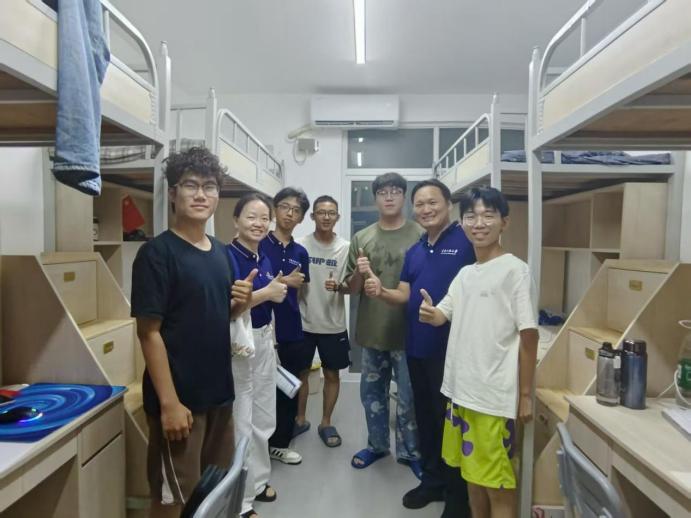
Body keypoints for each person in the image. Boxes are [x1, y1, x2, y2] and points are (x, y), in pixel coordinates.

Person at [131, 147, 254, 518]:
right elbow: (148, 333)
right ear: (173, 193)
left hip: (219, 395)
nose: (201, 194)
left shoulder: (220, 253)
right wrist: (169, 403)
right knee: (175, 501)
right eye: (191, 185)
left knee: (214, 495)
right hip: (181, 401)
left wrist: (241, 304)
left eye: (209, 186)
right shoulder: (156, 254)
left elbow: (216, 316)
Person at [419, 187, 539, 518]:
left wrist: (525, 395)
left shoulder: (515, 270)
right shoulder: (465, 274)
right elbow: (442, 314)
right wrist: (430, 313)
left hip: (492, 399)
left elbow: (529, 335)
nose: (479, 223)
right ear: (462, 224)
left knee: (497, 486)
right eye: (471, 216)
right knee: (472, 480)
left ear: (504, 222)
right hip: (461, 394)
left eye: (489, 215)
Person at [363, 179, 475, 516]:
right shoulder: (417, 249)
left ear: (449, 204)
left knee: (451, 425)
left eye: (433, 202)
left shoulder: (467, 241)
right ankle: (432, 480)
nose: (426, 209)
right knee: (425, 418)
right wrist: (381, 291)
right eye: (421, 204)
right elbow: (404, 294)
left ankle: (458, 498)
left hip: (452, 351)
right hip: (417, 347)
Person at [345, 172, 422, 474]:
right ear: (375, 198)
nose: (389, 197)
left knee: (408, 399)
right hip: (373, 331)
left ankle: (410, 452)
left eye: (395, 191)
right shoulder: (362, 238)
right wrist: (359, 271)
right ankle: (377, 446)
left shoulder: (419, 235)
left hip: (409, 333)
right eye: (382, 192)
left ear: (404, 197)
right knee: (372, 396)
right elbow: (351, 289)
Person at [228, 192, 289, 518]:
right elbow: (227, 309)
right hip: (240, 342)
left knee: (265, 416)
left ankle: (260, 480)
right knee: (243, 419)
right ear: (236, 220)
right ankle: (241, 501)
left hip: (264, 339)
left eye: (264, 218)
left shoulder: (262, 257)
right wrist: (267, 293)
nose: (259, 223)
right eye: (251, 216)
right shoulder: (228, 257)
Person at [295, 195, 351, 447]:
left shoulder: (345, 247)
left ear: (337, 217)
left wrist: (339, 286)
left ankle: (326, 423)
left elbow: (352, 285)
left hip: (333, 324)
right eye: (321, 212)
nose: (326, 217)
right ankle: (299, 419)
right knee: (301, 374)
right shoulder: (300, 245)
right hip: (304, 322)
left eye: (331, 213)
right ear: (312, 216)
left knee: (332, 375)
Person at [261, 187, 311, 465]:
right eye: (285, 207)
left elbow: (300, 292)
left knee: (287, 389)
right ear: (274, 209)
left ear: (301, 217)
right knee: (259, 390)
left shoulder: (300, 252)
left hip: (291, 329)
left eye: (296, 210)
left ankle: (280, 443)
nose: (290, 214)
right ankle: (257, 445)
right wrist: (283, 282)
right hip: (260, 329)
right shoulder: (259, 242)